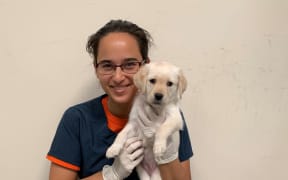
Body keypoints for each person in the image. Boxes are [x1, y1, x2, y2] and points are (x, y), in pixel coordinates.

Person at [46, 19, 193, 180]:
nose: (118, 77)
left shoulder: (169, 116)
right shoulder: (77, 119)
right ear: (96, 69)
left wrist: (166, 152)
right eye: (107, 65)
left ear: (145, 67)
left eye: (129, 64)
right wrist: (111, 175)